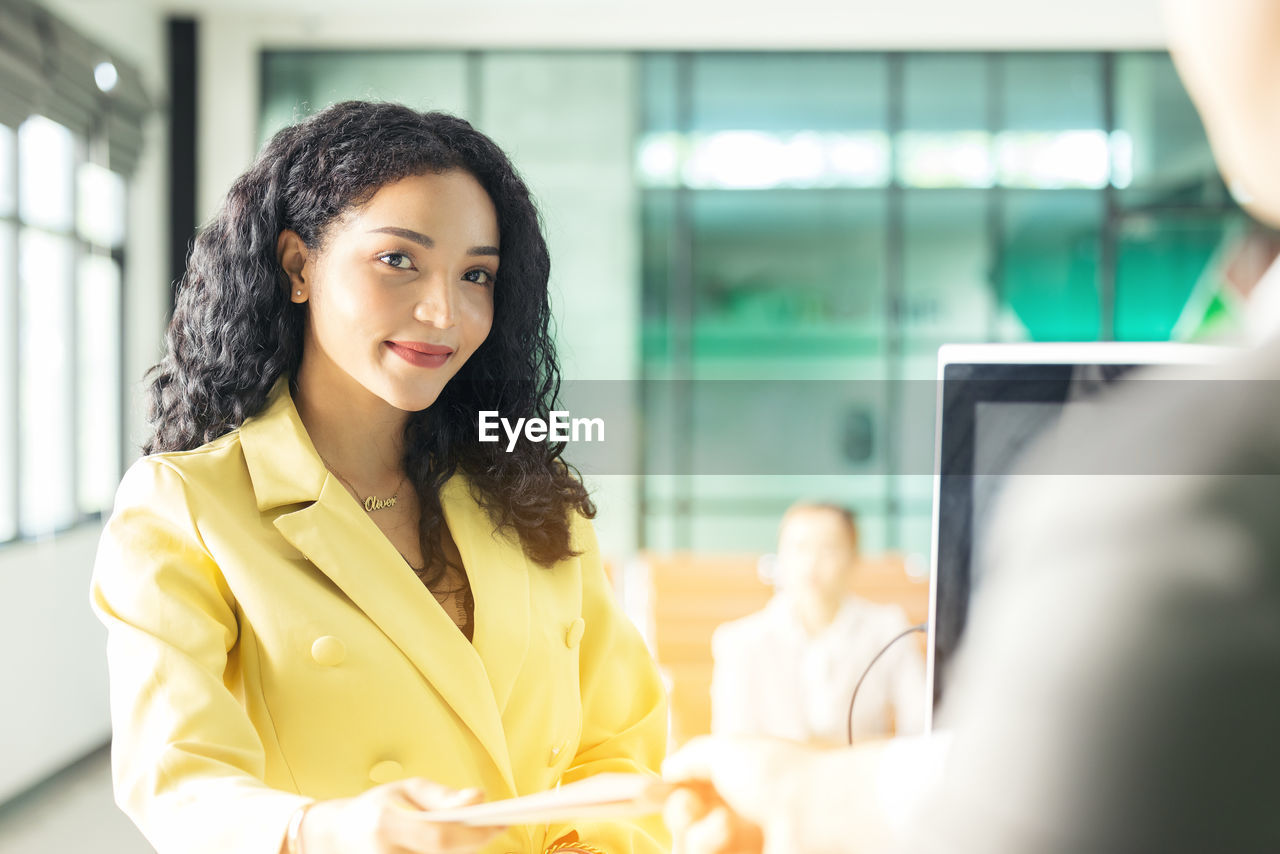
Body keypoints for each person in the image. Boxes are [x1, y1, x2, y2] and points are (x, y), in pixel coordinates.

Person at [662, 0, 1280, 851]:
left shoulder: (1176, 497)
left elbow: (1015, 800)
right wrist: (805, 791)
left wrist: (806, 802)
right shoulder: (747, 643)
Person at [90, 101, 669, 854]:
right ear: (299, 265)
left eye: (476, 275)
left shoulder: (532, 491)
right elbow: (176, 779)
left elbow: (619, 740)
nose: (444, 312)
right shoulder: (189, 507)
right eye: (399, 260)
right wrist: (328, 828)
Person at [710, 503, 925, 745]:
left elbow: (918, 723)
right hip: (774, 778)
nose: (811, 562)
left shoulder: (888, 628)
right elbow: (733, 741)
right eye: (799, 548)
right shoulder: (740, 640)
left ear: (853, 556)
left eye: (829, 548)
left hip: (861, 775)